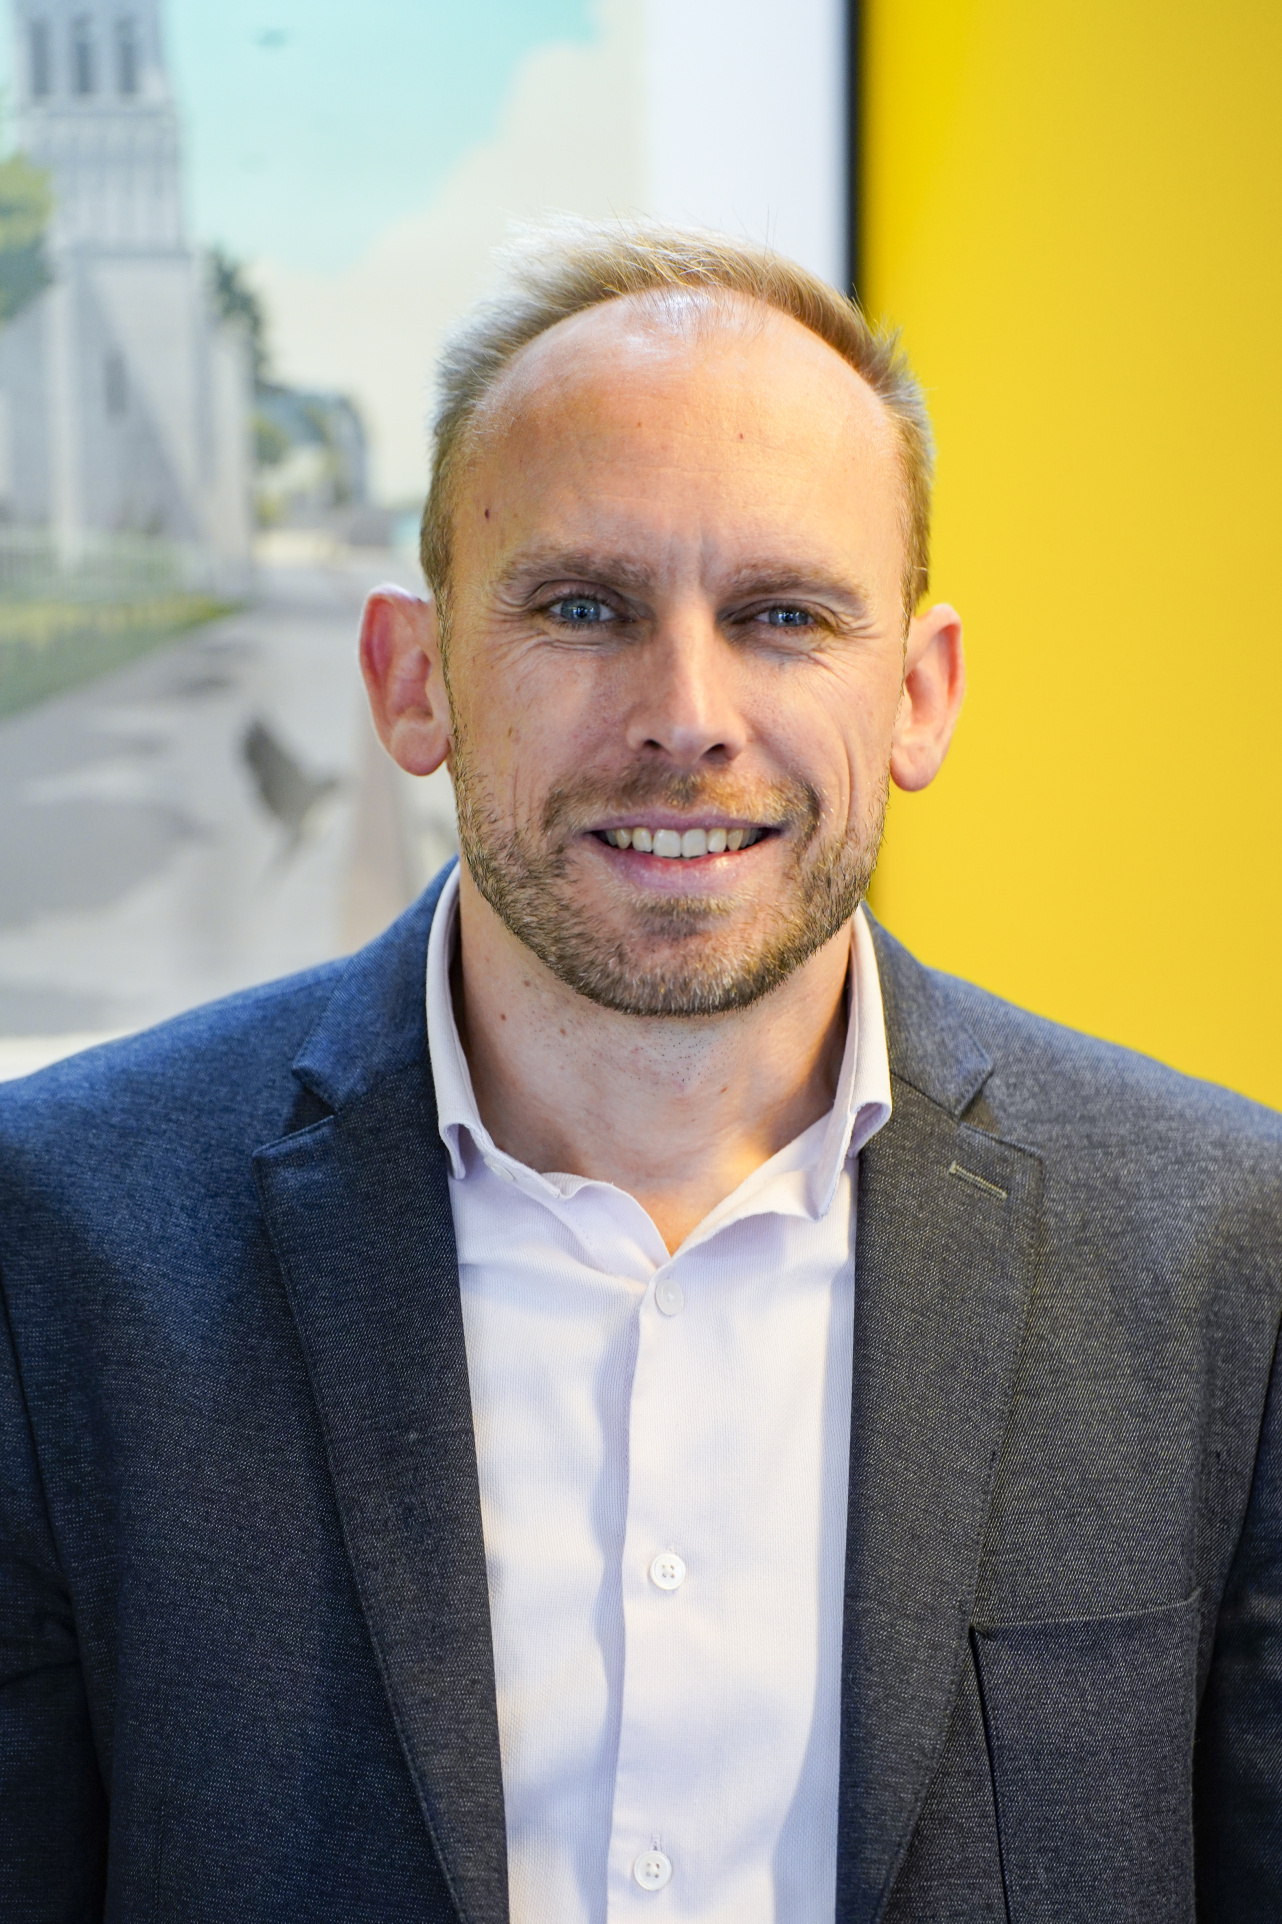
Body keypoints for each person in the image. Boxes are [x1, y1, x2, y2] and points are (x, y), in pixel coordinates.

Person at [1, 221, 1279, 1924]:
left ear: (918, 695)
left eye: (781, 615)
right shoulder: (56, 1236)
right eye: (582, 607)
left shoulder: (1216, 1253)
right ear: (411, 677)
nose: (687, 713)